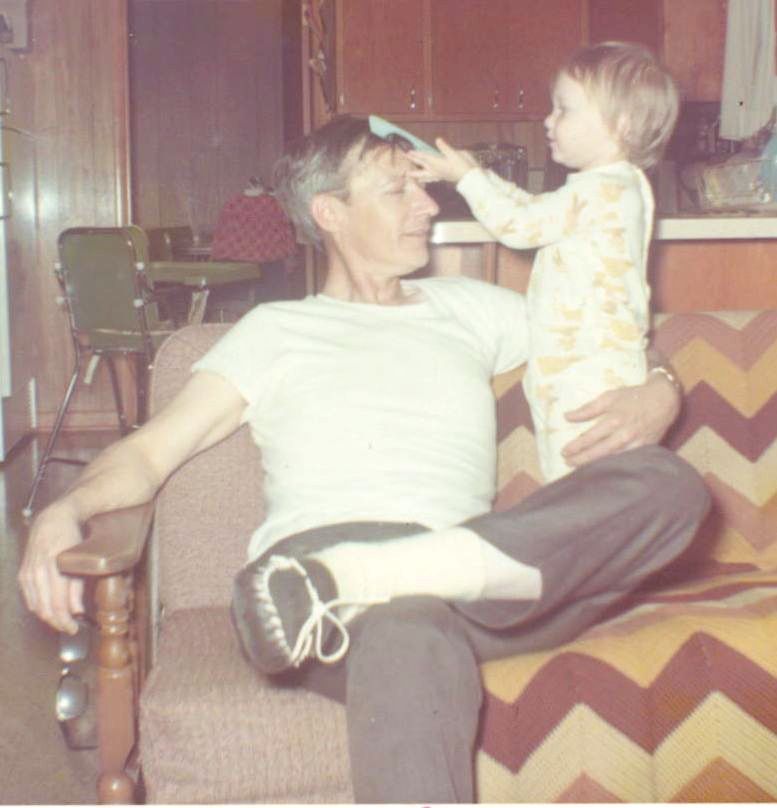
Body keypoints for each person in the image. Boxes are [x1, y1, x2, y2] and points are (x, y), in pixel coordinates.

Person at [19, 114, 709, 804]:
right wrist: (63, 510)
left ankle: (378, 575)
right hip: (320, 575)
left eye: (422, 187)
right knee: (410, 633)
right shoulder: (275, 331)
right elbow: (149, 453)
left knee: (670, 486)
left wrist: (660, 387)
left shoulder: (471, 308)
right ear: (330, 213)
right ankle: (346, 579)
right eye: (397, 190)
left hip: (472, 579)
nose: (428, 205)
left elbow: (606, 335)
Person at [410, 41, 680, 482]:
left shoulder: (599, 190)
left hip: (586, 373)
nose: (548, 120)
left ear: (621, 125)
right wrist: (476, 174)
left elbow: (519, 225)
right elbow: (533, 208)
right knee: (589, 487)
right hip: (586, 364)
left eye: (563, 109)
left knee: (578, 484)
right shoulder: (613, 185)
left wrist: (467, 179)